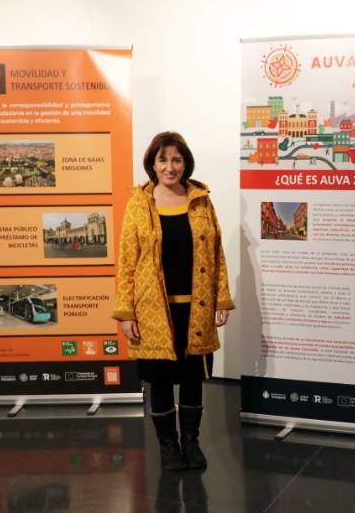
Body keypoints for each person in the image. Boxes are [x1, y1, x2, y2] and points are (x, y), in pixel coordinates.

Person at [112, 131, 234, 471]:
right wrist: (126, 312)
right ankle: (168, 446)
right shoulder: (139, 204)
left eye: (176, 159)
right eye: (163, 159)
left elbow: (217, 253)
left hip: (196, 309)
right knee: (161, 381)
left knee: (193, 379)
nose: (170, 167)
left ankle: (191, 442)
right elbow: (127, 261)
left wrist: (221, 299)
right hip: (153, 311)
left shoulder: (201, 200)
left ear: (185, 163)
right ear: (152, 164)